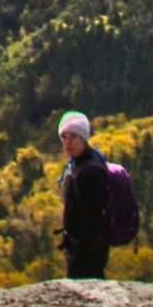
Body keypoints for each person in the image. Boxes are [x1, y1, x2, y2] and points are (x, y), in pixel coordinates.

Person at [56, 111, 114, 280]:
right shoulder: (79, 162)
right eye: (64, 137)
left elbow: (93, 219)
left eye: (74, 137)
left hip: (88, 253)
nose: (68, 142)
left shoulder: (91, 172)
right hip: (80, 247)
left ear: (83, 138)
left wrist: (79, 258)